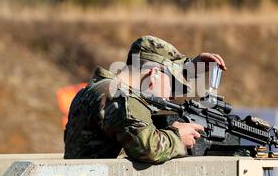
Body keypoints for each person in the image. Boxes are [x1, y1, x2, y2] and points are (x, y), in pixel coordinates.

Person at [64, 35, 227, 163]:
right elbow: (149, 149)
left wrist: (190, 68)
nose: (172, 96)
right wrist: (177, 137)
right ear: (154, 73)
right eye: (172, 84)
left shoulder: (96, 88)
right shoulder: (121, 97)